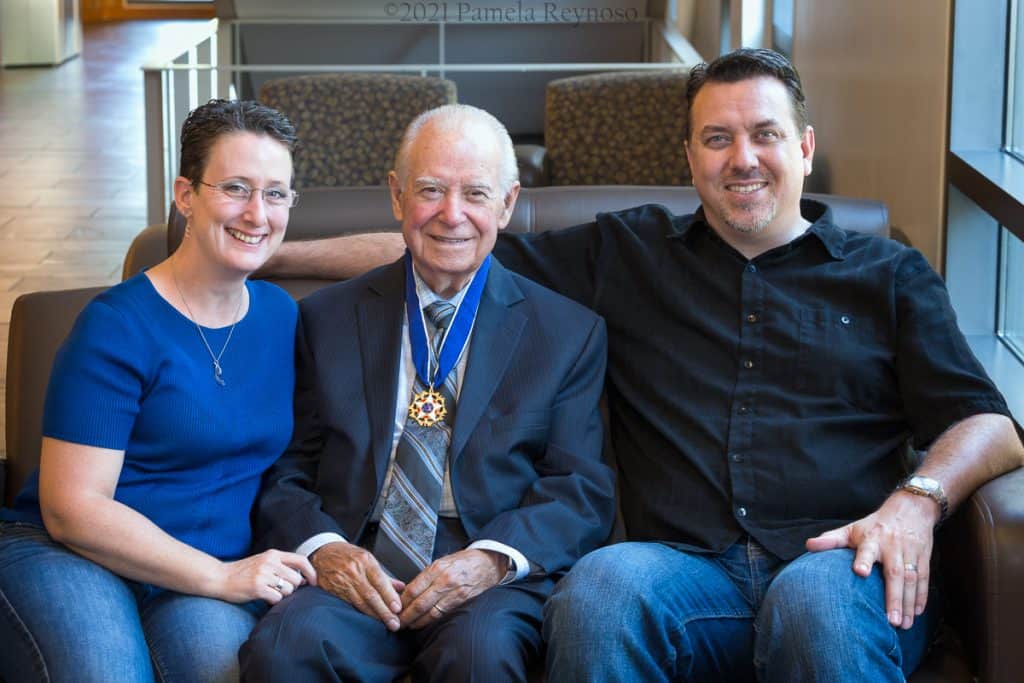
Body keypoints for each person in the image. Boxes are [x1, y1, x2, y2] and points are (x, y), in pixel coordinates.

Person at [259, 49, 1024, 681]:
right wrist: (264, 252)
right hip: (683, 571)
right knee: (600, 590)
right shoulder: (628, 255)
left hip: (836, 559)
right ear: (688, 156)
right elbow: (449, 241)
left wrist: (918, 500)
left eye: (763, 134)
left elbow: (991, 425)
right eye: (717, 138)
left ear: (804, 147)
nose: (742, 158)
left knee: (813, 606)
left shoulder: (888, 274)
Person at [238, 104, 614, 682]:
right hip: (357, 556)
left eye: (476, 194)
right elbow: (287, 469)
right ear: (396, 197)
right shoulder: (325, 318)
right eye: (431, 190)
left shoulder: (566, 332)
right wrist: (324, 548)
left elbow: (580, 488)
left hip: (484, 566)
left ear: (508, 204)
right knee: (284, 647)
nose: (451, 215)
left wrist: (491, 561)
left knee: (481, 657)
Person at [0, 99, 317, 682]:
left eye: (276, 194)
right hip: (71, 553)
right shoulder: (116, 325)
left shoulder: (281, 316)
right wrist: (223, 578)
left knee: (220, 670)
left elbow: (420, 258)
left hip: (203, 566)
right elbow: (72, 508)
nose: (258, 213)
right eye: (236, 188)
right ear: (185, 195)